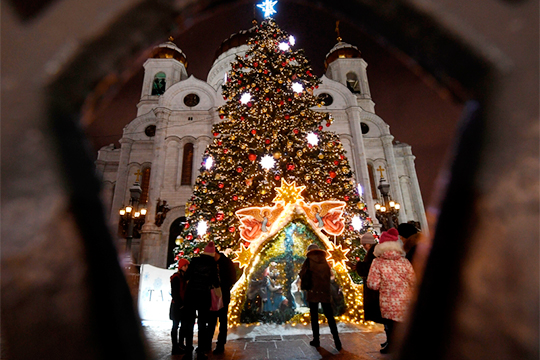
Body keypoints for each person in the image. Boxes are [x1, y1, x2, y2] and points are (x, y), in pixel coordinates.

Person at [367, 228, 415, 354]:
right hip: (405, 299)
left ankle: (391, 346)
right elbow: (413, 281)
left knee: (390, 325)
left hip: (388, 300)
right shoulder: (404, 261)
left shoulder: (377, 262)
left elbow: (373, 284)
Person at [299, 244, 342, 351]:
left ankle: (316, 340)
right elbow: (330, 275)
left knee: (314, 317)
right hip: (325, 291)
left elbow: (302, 274)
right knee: (330, 317)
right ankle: (337, 342)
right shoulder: (325, 261)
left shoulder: (308, 261)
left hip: (313, 291)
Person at [183, 241, 220, 360]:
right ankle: (201, 352)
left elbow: (186, 276)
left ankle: (188, 351)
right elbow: (215, 281)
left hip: (191, 294)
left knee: (189, 323)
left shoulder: (194, 261)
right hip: (204, 295)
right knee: (202, 325)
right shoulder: (212, 264)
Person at [355, 232, 385, 343]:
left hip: (375, 290)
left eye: (364, 245)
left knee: (383, 316)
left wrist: (358, 266)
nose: (364, 247)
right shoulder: (374, 252)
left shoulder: (373, 253)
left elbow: (370, 268)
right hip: (377, 289)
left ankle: (390, 340)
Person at [207, 249, 237, 355]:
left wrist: (223, 286)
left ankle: (220, 345)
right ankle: (207, 343)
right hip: (212, 296)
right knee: (211, 321)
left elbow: (233, 278)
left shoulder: (226, 262)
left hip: (223, 296)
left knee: (223, 321)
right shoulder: (211, 263)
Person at [170, 258, 189, 355]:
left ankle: (180, 344)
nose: (187, 268)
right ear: (181, 267)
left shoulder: (184, 278)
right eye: (185, 266)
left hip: (182, 305)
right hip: (177, 306)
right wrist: (180, 304)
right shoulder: (176, 278)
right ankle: (175, 346)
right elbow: (175, 293)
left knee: (183, 326)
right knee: (175, 326)